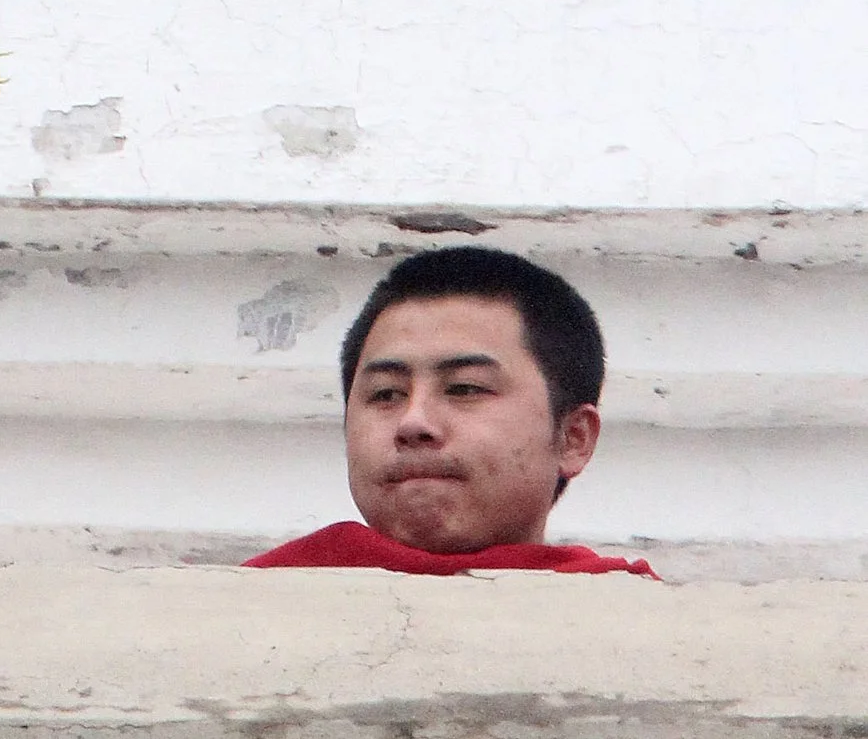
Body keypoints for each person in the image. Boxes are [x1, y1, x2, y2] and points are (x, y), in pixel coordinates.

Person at [249, 245, 653, 577]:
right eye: (386, 394)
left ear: (572, 439)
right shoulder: (253, 607)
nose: (413, 422)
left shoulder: (639, 625)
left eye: (464, 388)